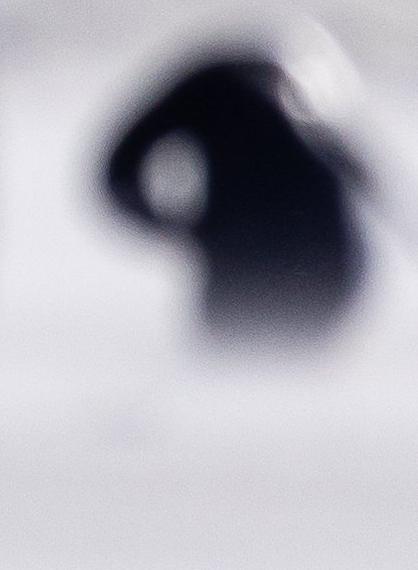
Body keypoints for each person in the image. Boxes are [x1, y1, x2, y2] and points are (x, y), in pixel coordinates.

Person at [97, 33, 376, 347]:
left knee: (246, 359)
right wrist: (186, 230)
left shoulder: (210, 90)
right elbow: (366, 178)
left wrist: (186, 230)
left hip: (289, 257)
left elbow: (117, 173)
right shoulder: (279, 90)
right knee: (269, 364)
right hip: (312, 261)